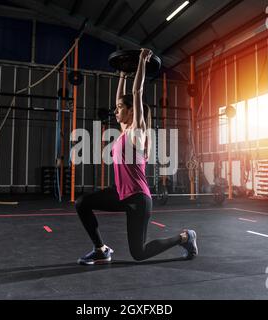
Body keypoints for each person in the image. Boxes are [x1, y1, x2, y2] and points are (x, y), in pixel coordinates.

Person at [75, 48, 197, 265]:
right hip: (121, 194)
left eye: (120, 108)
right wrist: (122, 73)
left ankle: (185, 237)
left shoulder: (137, 133)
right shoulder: (123, 130)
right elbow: (120, 98)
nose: (115, 111)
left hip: (138, 199)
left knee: (138, 253)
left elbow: (137, 92)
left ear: (132, 111)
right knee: (82, 203)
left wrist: (141, 62)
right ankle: (101, 249)